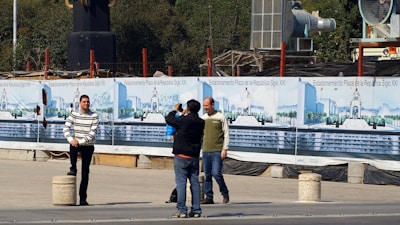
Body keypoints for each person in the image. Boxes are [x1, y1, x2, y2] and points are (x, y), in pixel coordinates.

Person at [165, 100, 205, 218]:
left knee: (181, 183)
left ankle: (182, 210)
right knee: (195, 183)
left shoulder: (184, 120)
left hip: (181, 156)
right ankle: (196, 210)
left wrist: (176, 110)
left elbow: (170, 120)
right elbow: (190, 119)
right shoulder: (201, 122)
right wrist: (184, 111)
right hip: (194, 157)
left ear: (188, 108)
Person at [63, 94, 99, 206]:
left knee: (85, 173)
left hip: (88, 146)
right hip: (76, 143)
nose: (86, 104)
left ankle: (83, 198)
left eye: (88, 102)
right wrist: (70, 139)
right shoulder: (74, 114)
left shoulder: (94, 116)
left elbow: (92, 134)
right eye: (84, 102)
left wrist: (80, 141)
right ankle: (73, 167)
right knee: (72, 146)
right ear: (80, 103)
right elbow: (66, 128)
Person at [201, 97, 230, 204]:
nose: (205, 108)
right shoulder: (203, 118)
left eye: (207, 106)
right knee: (207, 175)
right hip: (205, 150)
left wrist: (224, 149)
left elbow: (226, 134)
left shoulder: (221, 117)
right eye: (204, 106)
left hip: (217, 151)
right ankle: (209, 197)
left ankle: (224, 192)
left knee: (216, 173)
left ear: (212, 105)